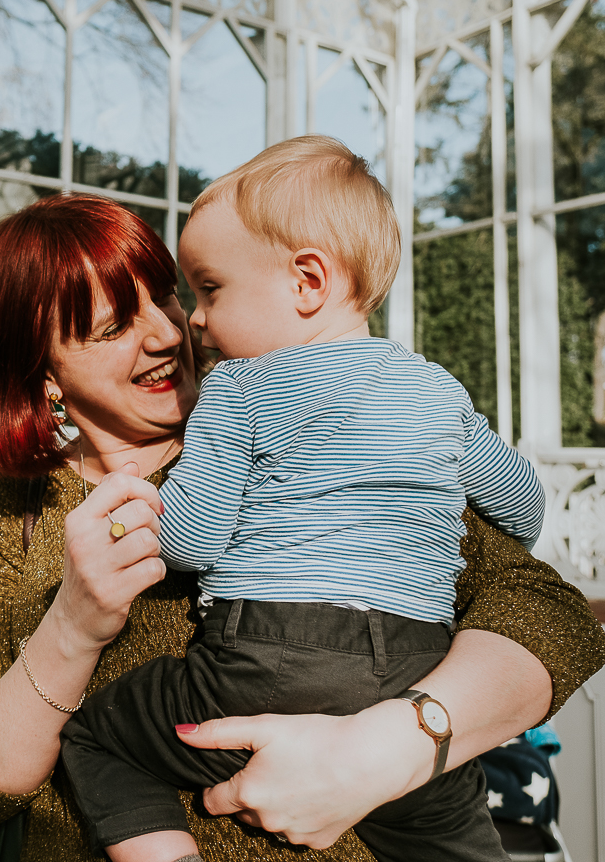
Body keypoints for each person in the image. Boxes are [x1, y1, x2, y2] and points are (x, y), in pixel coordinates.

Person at [0, 192, 605, 862]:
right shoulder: (8, 510)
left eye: (167, 297)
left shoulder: (310, 430)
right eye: (115, 325)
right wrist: (74, 621)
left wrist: (389, 747)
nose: (170, 334)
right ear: (44, 373)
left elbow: (554, 619)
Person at [57, 137, 543, 862]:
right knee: (450, 839)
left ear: (307, 282)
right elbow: (524, 509)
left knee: (97, 733)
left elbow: (192, 543)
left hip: (267, 657)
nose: (192, 318)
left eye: (210, 289)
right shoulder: (439, 391)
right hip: (417, 661)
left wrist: (140, 510)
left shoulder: (240, 386)